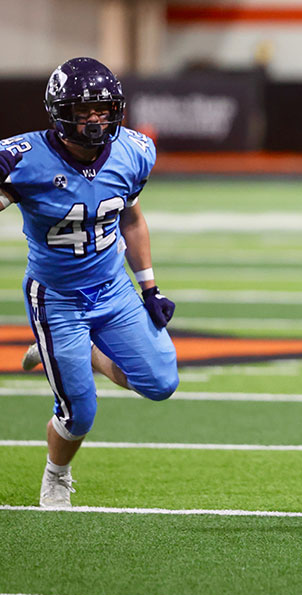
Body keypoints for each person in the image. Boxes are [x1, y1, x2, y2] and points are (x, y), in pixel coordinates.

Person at [0, 57, 179, 508]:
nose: (96, 119)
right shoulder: (22, 160)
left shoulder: (133, 151)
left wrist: (150, 287)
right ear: (61, 112)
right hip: (56, 298)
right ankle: (56, 475)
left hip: (113, 289)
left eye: (103, 108)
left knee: (160, 383)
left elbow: (132, 219)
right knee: (80, 414)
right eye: (84, 110)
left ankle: (88, 356)